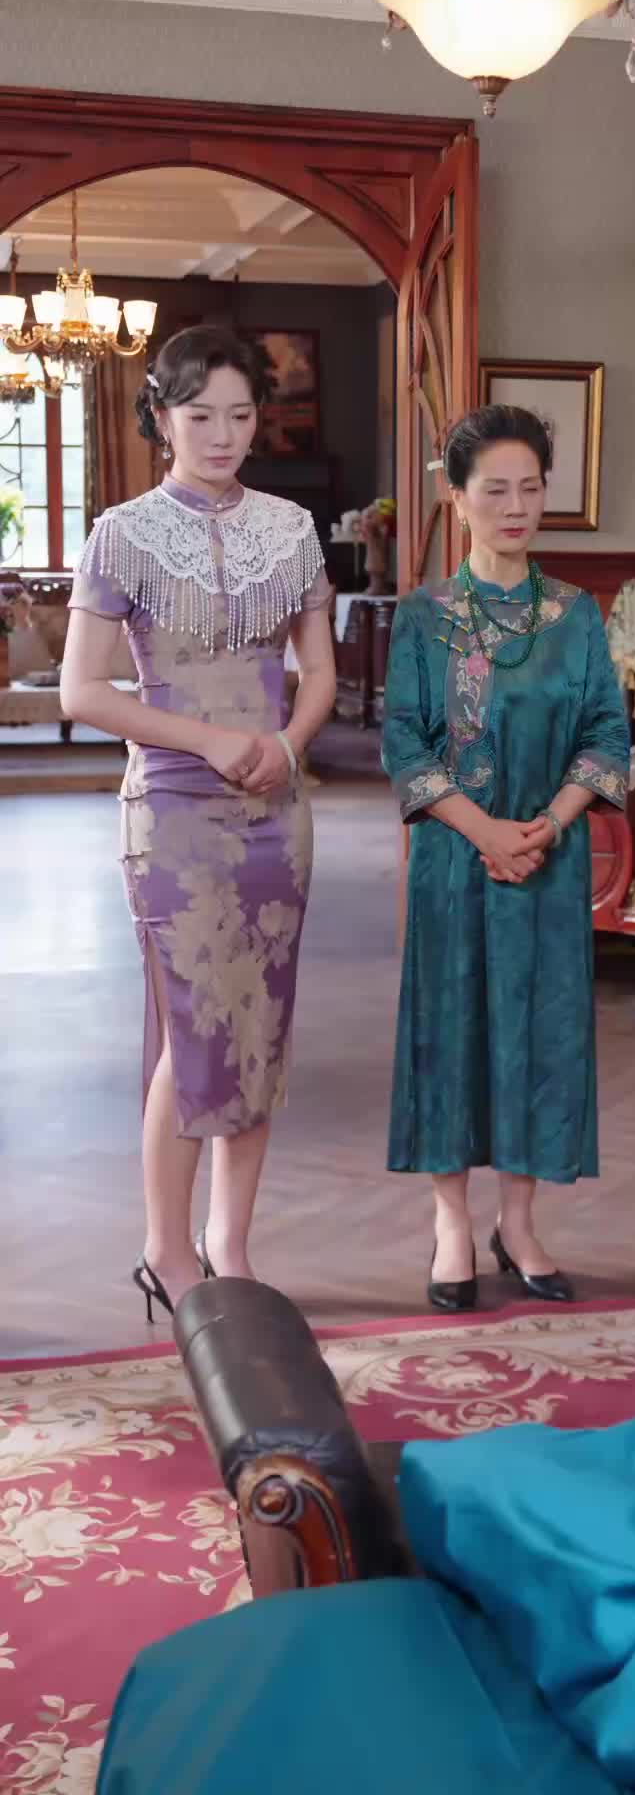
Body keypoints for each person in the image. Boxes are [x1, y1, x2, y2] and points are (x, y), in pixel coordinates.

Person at [60, 324, 337, 1319]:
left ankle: (231, 1243)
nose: (223, 435)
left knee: (261, 1027)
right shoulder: (123, 534)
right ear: (161, 417)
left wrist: (288, 746)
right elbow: (82, 691)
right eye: (200, 415)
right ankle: (165, 1250)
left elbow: (320, 674)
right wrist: (208, 741)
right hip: (174, 812)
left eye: (241, 415)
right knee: (197, 1025)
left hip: (275, 810)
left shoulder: (291, 530)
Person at [382, 404, 630, 1311]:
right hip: (454, 861)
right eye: (495, 490)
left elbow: (606, 733)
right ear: (457, 498)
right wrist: (484, 831)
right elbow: (403, 742)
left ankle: (519, 1222)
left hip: (547, 861)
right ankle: (451, 1221)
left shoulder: (575, 615)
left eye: (531, 488)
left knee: (539, 1034)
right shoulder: (424, 616)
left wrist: (549, 826)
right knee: (450, 1031)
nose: (516, 506)